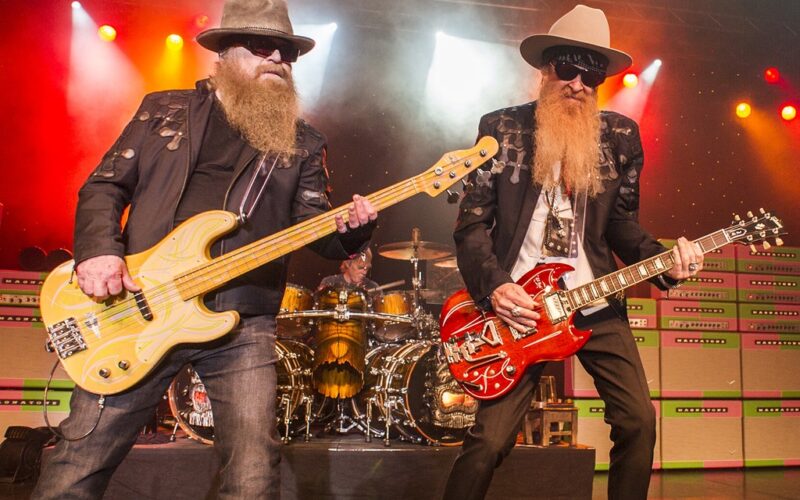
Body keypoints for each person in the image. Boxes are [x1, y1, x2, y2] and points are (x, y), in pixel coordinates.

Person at [33, 0, 377, 498]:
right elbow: (105, 186)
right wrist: (99, 251)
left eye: (287, 52)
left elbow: (315, 229)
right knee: (80, 461)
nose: (277, 59)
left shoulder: (302, 142)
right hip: (141, 304)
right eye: (262, 47)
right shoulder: (163, 110)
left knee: (253, 474)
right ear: (226, 52)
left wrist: (353, 232)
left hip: (243, 321)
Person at [443, 5, 703, 500]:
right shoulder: (501, 128)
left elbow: (621, 224)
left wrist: (666, 262)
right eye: (567, 68)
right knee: (488, 442)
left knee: (638, 421)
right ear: (545, 70)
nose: (578, 83)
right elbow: (472, 226)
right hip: (521, 308)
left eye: (592, 74)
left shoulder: (620, 137)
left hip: (594, 301)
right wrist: (497, 287)